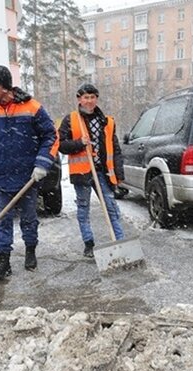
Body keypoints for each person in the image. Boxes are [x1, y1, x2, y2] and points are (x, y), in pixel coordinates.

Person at [0, 65, 57, 281]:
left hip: (27, 176)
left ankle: (30, 251)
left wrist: (42, 163)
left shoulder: (32, 107)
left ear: (4, 86)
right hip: (0, 178)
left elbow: (51, 136)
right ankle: (4, 260)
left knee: (29, 218)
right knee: (2, 220)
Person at [58, 83, 125, 258]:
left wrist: (119, 174)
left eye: (92, 97)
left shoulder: (107, 122)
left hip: (102, 172)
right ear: (79, 99)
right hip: (81, 173)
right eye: (85, 97)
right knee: (83, 208)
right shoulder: (70, 119)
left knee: (111, 206)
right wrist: (79, 143)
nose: (89, 101)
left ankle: (120, 241)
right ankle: (89, 243)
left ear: (96, 98)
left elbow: (115, 149)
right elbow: (61, 145)